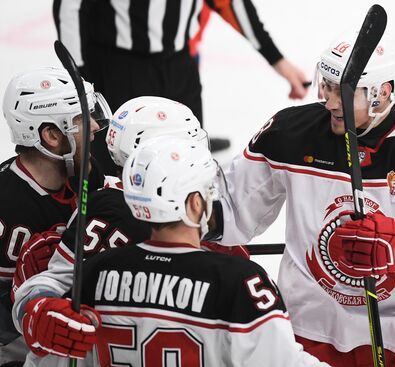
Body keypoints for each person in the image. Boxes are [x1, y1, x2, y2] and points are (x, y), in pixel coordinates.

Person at [206, 31, 395, 366]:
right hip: (304, 333)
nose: (330, 102)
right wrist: (173, 214)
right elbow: (230, 212)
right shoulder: (289, 134)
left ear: (383, 93)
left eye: (344, 91)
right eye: (326, 85)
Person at [11, 97, 247, 365]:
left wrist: (36, 306)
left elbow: (47, 286)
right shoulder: (128, 211)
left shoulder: (103, 199)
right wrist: (38, 308)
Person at [53, 0, 309, 176]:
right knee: (116, 163)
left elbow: (231, 4)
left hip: (179, 65)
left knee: (191, 159)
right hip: (118, 65)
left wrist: (278, 61)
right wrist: (81, 78)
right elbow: (70, 8)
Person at [0, 66, 110, 366]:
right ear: (51, 135)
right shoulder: (7, 205)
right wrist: (27, 304)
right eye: (82, 120)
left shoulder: (85, 173)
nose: (96, 127)